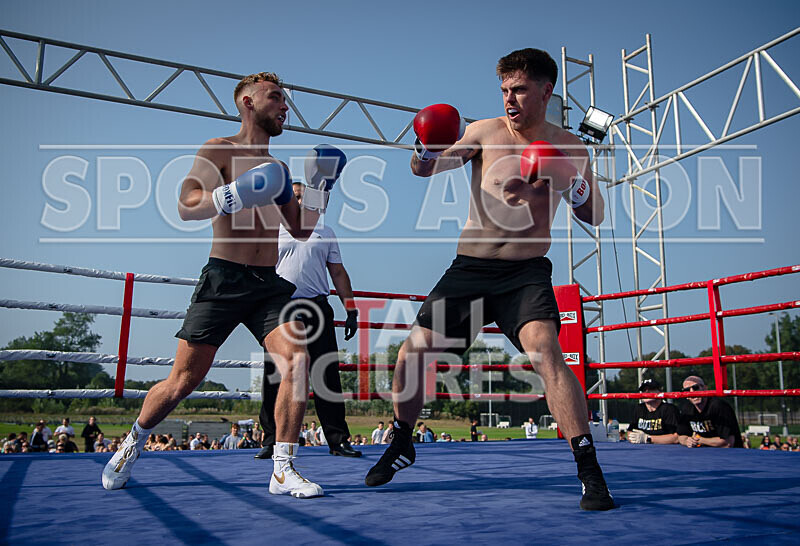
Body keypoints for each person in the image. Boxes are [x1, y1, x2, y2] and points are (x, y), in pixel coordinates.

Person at [364, 48, 613, 511]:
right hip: (470, 269)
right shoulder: (483, 132)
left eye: (518, 89)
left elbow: (594, 215)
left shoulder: (570, 146)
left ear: (545, 90)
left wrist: (566, 178)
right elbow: (426, 168)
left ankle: (589, 468)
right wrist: (425, 146)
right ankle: (401, 440)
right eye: (503, 90)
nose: (509, 99)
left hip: (526, 272)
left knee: (545, 350)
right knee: (411, 354)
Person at [102, 72, 340, 499]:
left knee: (298, 361)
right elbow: (186, 205)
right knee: (183, 380)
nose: (285, 107)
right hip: (224, 279)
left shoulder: (280, 169)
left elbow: (301, 230)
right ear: (248, 103)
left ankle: (283, 468)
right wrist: (234, 194)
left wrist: (320, 189)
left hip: (269, 285)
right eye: (276, 98)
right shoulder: (218, 150)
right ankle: (133, 439)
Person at [256, 178, 361, 460]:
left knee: (326, 374)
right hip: (281, 309)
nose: (300, 203)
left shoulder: (325, 232)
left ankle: (338, 440)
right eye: (295, 198)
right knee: (274, 375)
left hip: (317, 307)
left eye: (304, 198)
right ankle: (271, 440)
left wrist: (350, 309)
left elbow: (338, 273)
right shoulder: (271, 232)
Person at [677, 376, 743, 448]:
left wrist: (700, 440)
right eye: (687, 390)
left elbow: (728, 443)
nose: (692, 392)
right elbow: (680, 436)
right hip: (703, 454)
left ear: (705, 388)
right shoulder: (687, 408)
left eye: (696, 387)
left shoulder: (719, 407)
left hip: (729, 455)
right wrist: (687, 441)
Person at [627, 378, 680, 445]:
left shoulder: (669, 409)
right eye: (643, 390)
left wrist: (648, 438)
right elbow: (630, 432)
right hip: (641, 450)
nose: (646, 392)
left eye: (650, 389)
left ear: (659, 391)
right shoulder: (639, 408)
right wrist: (633, 437)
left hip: (665, 450)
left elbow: (676, 437)